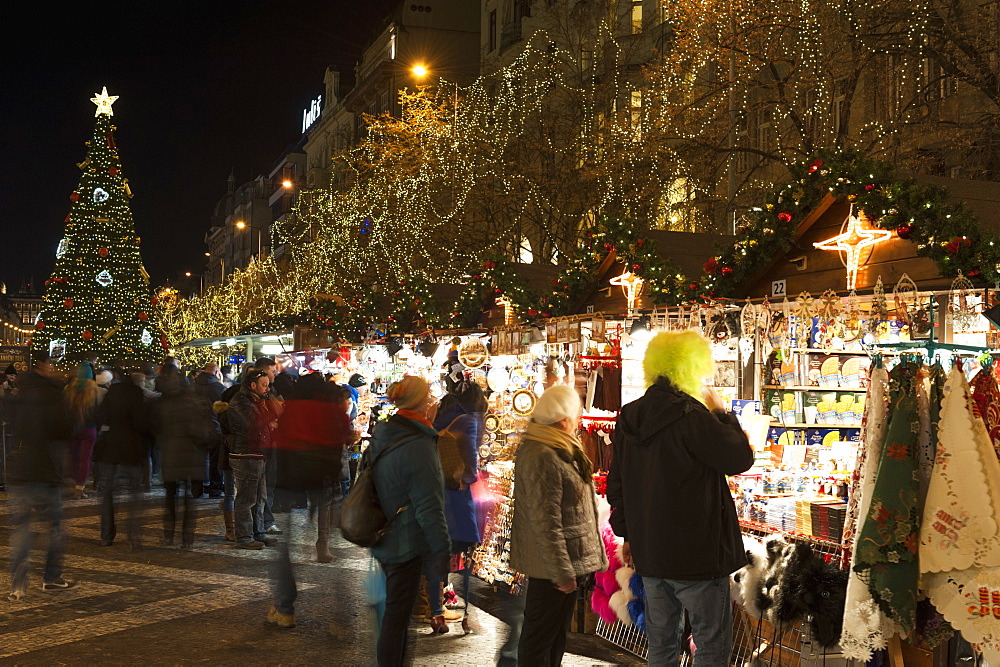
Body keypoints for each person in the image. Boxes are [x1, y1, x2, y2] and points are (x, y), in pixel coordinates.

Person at [607, 331, 754, 666]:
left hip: (652, 554)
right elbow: (739, 458)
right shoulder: (693, 417)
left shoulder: (629, 416)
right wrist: (721, 412)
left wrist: (630, 535)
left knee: (661, 644)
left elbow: (618, 486)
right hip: (698, 556)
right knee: (710, 645)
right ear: (691, 368)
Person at [510, 385, 607, 666]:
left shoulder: (558, 448)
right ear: (563, 419)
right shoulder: (543, 454)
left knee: (552, 639)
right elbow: (546, 521)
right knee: (539, 641)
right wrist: (561, 571)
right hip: (551, 568)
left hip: (561, 565)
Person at [369, 376, 450, 666]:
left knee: (394, 613)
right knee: (396, 618)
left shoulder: (384, 431)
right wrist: (442, 548)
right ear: (422, 402)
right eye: (429, 397)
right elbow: (429, 503)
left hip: (382, 530)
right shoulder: (419, 442)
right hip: (405, 538)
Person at [267, 374, 353, 628]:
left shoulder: (291, 408)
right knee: (329, 524)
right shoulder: (332, 409)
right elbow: (344, 437)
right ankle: (339, 612)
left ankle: (285, 608)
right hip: (323, 476)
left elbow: (280, 439)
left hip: (290, 479)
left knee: (285, 547)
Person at [7, 352, 75, 600]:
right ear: (46, 367)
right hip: (45, 468)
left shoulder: (19, 394)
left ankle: (18, 580)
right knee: (54, 527)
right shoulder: (55, 395)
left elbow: (12, 424)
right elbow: (66, 429)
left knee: (21, 528)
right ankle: (52, 577)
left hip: (19, 468)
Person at [425, 380, 486, 633]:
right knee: (459, 550)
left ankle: (436, 611)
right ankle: (459, 608)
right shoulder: (468, 420)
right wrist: (471, 477)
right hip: (455, 494)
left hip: (434, 490)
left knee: (435, 552)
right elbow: (470, 459)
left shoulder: (439, 416)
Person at [155, 367, 220, 547]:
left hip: (170, 456)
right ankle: (187, 538)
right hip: (192, 457)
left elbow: (155, 429)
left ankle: (169, 534)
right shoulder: (195, 402)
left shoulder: (163, 404)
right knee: (189, 499)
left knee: (170, 496)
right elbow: (205, 430)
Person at [94, 366, 152, 550]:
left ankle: (106, 535)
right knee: (135, 493)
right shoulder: (136, 394)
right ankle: (133, 536)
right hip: (131, 448)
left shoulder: (112, 393)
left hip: (110, 447)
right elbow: (141, 422)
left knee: (108, 493)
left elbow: (100, 416)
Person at [227, 368, 278, 550]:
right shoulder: (240, 402)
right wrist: (271, 418)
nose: (267, 389)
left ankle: (258, 533)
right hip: (245, 455)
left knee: (260, 498)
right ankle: (244, 537)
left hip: (258, 454)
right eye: (264, 385)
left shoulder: (258, 401)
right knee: (246, 499)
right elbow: (252, 426)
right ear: (253, 385)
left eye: (268, 385)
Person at [65, 361, 104, 499]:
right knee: (85, 459)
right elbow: (100, 413)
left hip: (73, 429)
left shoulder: (69, 390)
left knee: (73, 457)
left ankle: (74, 480)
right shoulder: (97, 391)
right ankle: (79, 487)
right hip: (90, 429)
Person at [192, 362, 226, 498]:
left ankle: (196, 490)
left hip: (195, 428)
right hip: (214, 429)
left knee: (197, 460)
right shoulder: (218, 387)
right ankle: (215, 489)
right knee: (216, 461)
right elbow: (223, 410)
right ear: (217, 372)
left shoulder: (192, 387)